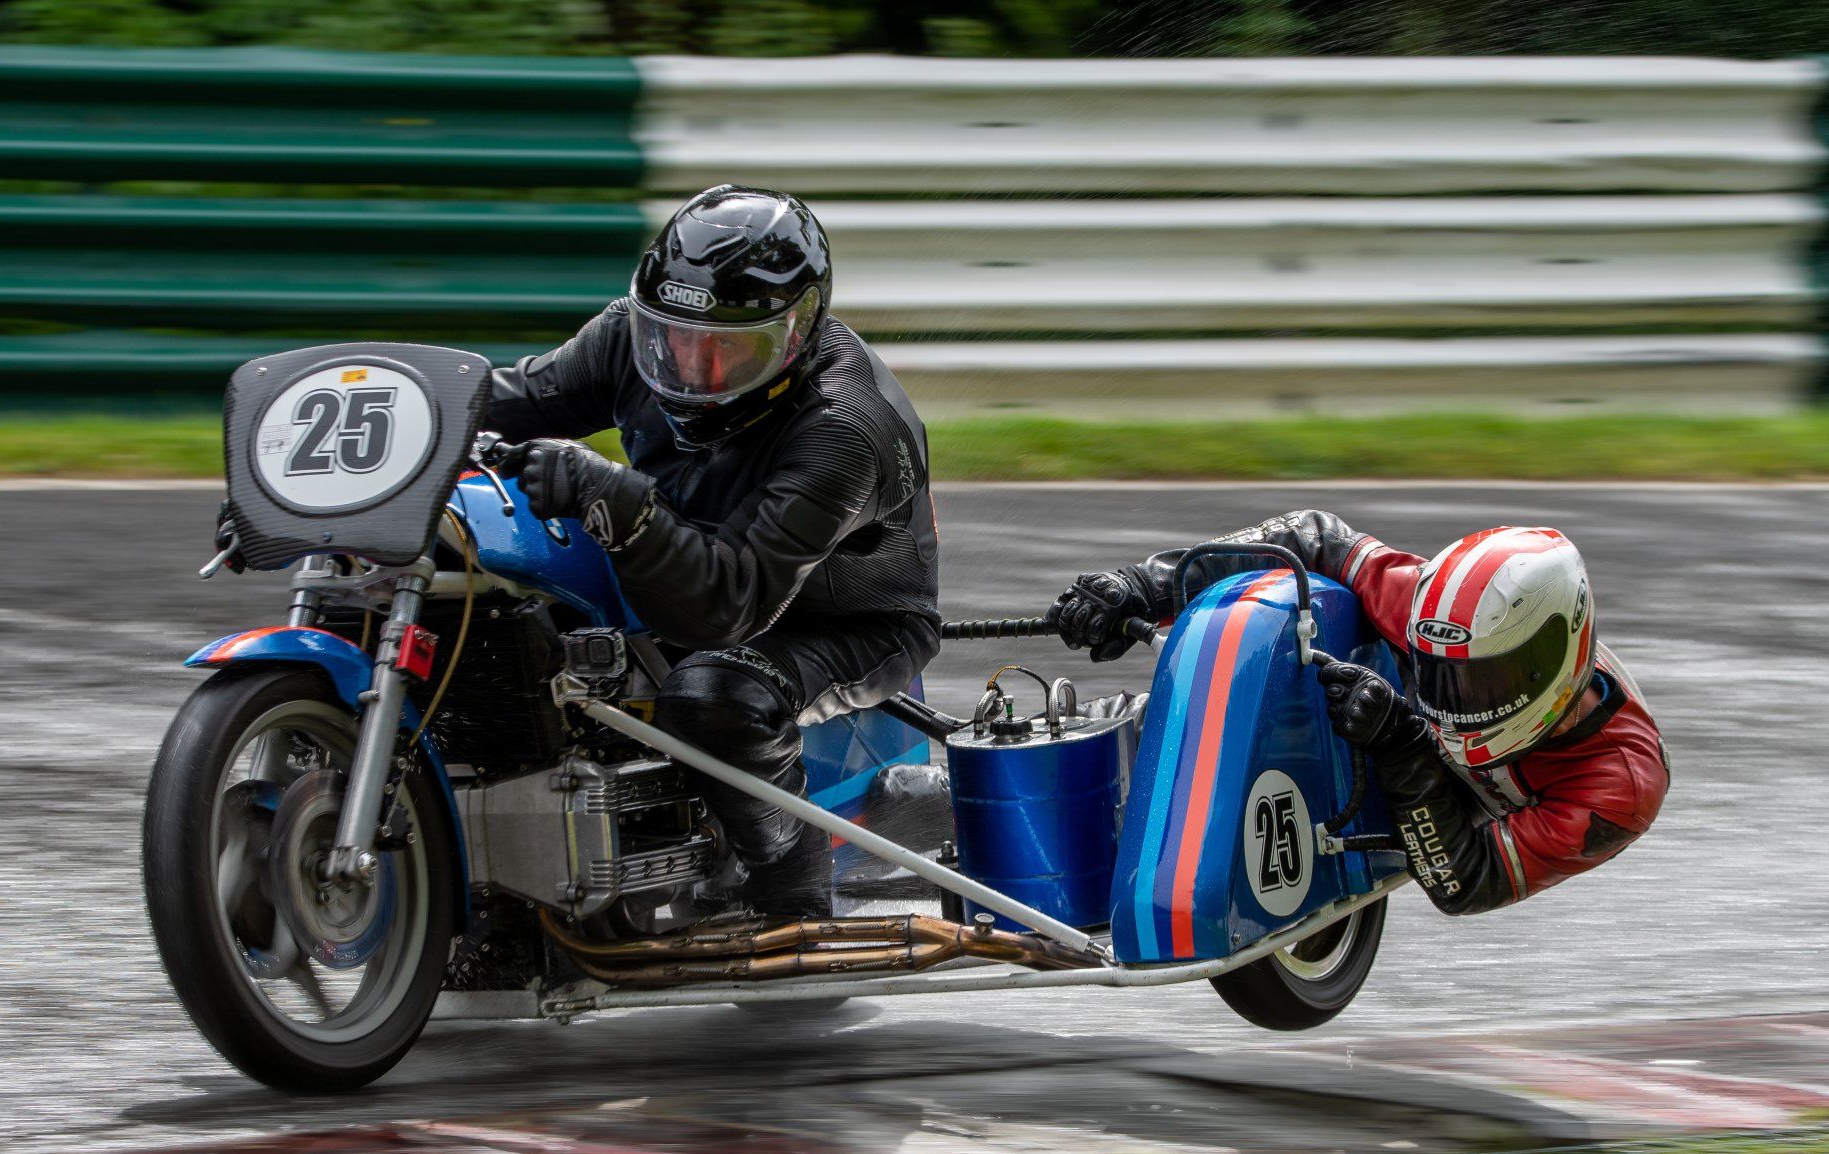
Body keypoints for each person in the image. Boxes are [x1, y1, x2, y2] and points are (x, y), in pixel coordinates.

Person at [488, 185, 939, 920]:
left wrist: (616, 499)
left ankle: (791, 889)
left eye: (731, 347)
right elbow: (508, 399)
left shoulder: (845, 427)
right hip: (687, 556)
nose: (694, 368)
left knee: (714, 696)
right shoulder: (629, 337)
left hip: (835, 620)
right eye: (672, 339)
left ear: (797, 333)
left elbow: (726, 608)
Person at [1048, 512, 1668, 915]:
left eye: (1483, 681)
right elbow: (1314, 538)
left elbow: (1467, 883)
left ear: (1554, 659)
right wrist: (1144, 586)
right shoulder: (1433, 610)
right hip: (1372, 715)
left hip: (1432, 799)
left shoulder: (1618, 788)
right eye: (1439, 671)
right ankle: (1087, 736)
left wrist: (1403, 743)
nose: (1455, 699)